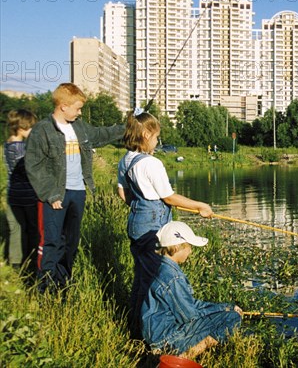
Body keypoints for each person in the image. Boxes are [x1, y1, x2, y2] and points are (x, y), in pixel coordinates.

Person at [117, 110, 213, 337]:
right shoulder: (152, 163)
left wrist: (142, 205)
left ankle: (134, 327)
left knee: (142, 277)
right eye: (157, 136)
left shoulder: (126, 160)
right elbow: (169, 198)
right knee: (157, 279)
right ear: (146, 134)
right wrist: (200, 206)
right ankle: (157, 332)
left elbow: (124, 195)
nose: (158, 141)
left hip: (135, 222)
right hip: (152, 225)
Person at [25, 83, 125, 292]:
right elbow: (34, 166)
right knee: (52, 242)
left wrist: (128, 126)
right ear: (63, 106)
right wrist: (50, 194)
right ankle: (45, 289)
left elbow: (100, 134)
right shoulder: (42, 130)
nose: (80, 113)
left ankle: (62, 286)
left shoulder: (79, 126)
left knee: (70, 243)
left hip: (78, 192)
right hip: (55, 195)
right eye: (77, 108)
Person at [142, 221, 242, 358]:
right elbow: (190, 316)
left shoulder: (163, 269)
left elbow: (191, 304)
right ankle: (182, 357)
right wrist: (227, 311)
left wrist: (225, 307)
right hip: (165, 338)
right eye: (188, 246)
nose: (190, 251)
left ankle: (182, 351)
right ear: (177, 247)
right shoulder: (173, 278)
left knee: (228, 313)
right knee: (232, 318)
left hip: (158, 332)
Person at [4, 109, 38, 273]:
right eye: (30, 127)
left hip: (13, 194)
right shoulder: (21, 148)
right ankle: (31, 260)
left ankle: (15, 261)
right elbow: (29, 171)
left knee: (16, 229)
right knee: (32, 228)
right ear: (21, 127)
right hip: (28, 195)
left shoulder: (8, 144)